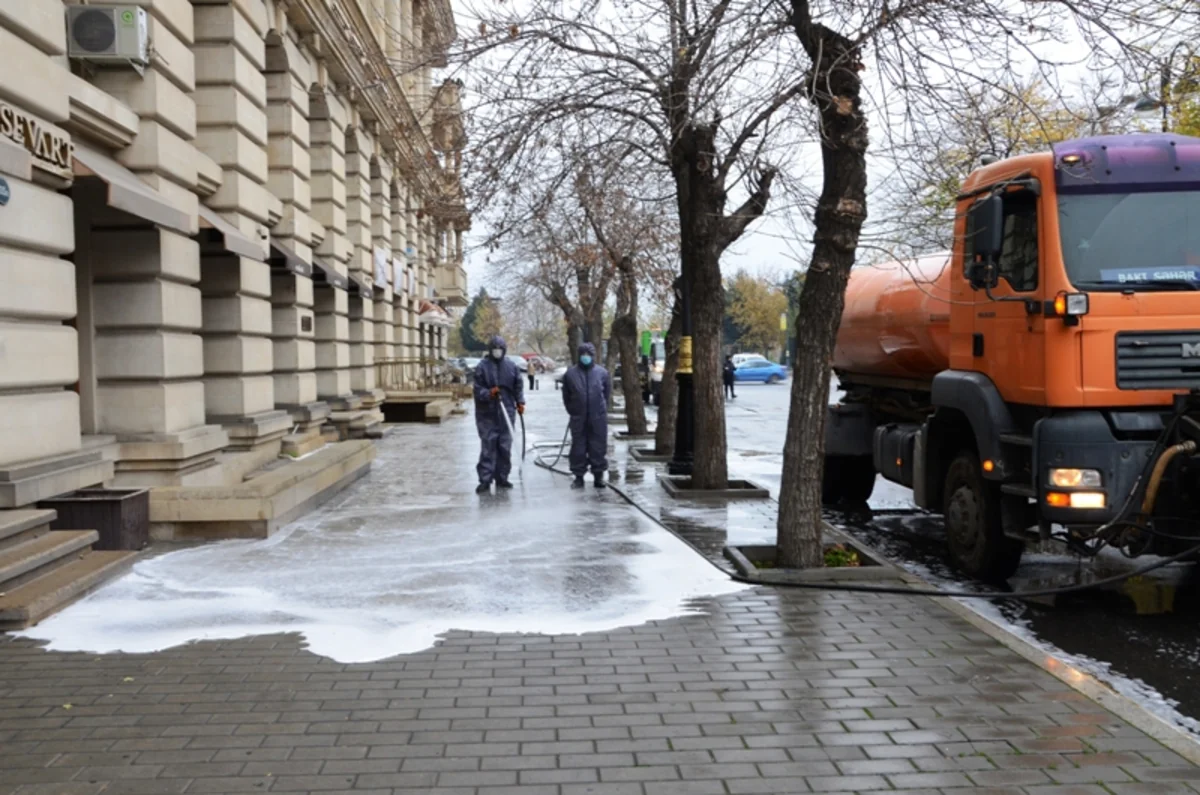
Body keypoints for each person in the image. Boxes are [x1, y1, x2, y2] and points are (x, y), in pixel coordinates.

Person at [473, 335, 525, 494]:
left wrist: (520, 402)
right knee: (488, 446)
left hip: (506, 412)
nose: (497, 352)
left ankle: (502, 478)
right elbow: (477, 389)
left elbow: (518, 385)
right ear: (490, 350)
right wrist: (489, 393)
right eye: (495, 349)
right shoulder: (482, 367)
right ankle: (485, 480)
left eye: (500, 349)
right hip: (487, 413)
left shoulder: (511, 366)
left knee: (504, 446)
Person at [561, 342, 611, 489]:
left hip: (597, 417)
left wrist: (601, 410)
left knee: (598, 446)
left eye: (588, 355)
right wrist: (574, 411)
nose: (586, 357)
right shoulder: (571, 374)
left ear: (593, 356)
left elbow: (606, 394)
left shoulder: (602, 373)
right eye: (583, 354)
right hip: (578, 416)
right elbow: (566, 396)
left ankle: (598, 476)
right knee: (578, 447)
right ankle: (578, 476)